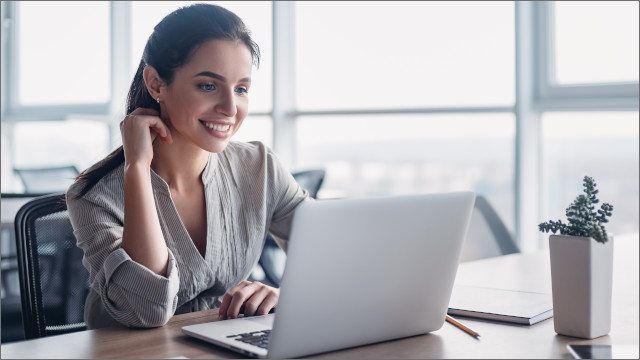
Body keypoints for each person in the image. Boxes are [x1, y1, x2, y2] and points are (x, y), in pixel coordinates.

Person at [66, 3, 309, 329]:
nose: (229, 107)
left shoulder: (259, 167)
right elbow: (145, 311)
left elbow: (334, 264)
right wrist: (137, 167)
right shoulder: (94, 195)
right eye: (208, 86)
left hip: (222, 347)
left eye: (241, 89)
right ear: (155, 83)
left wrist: (284, 296)